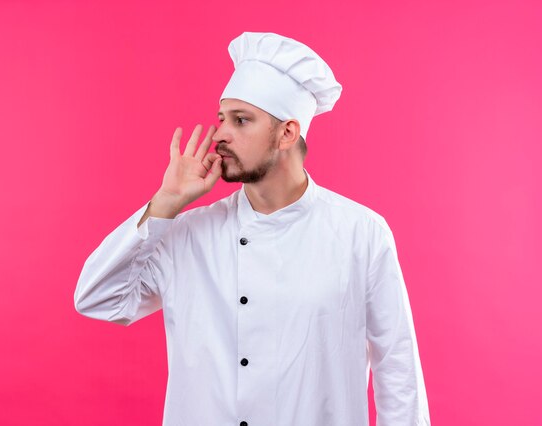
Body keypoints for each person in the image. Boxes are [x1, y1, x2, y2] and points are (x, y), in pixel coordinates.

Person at [74, 31, 431, 426]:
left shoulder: (361, 233)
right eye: (222, 119)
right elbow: (98, 298)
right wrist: (165, 202)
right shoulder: (187, 234)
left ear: (287, 134)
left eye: (241, 120)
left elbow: (398, 368)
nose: (221, 134)